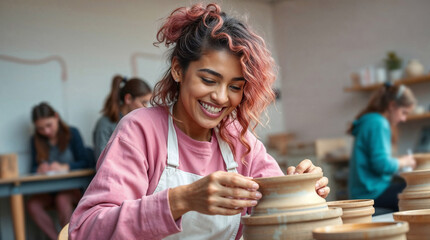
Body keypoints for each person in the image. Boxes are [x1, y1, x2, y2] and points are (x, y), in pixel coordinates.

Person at [69, 3, 329, 239]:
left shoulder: (239, 139)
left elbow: (275, 212)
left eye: (235, 87)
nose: (220, 97)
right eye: (208, 80)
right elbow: (86, 230)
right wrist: (182, 199)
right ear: (178, 70)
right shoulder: (140, 130)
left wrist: (303, 190)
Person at [348, 83, 417, 211]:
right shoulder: (378, 123)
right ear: (392, 106)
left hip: (365, 192)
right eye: (403, 112)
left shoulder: (370, 120)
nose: (404, 119)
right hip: (371, 194)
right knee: (420, 191)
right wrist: (404, 161)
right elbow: (381, 165)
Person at [27, 102, 90, 240]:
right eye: (41, 128)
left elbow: (86, 162)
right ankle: (57, 238)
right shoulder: (35, 140)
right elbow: (31, 168)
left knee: (62, 198)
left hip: (73, 188)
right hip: (49, 190)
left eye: (49, 125)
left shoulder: (72, 133)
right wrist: (39, 169)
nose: (46, 131)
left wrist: (66, 167)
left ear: (56, 117)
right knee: (33, 205)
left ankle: (69, 237)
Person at [93, 75, 152, 159]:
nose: (146, 107)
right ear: (128, 99)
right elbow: (102, 160)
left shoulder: (139, 124)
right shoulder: (104, 125)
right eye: (144, 102)